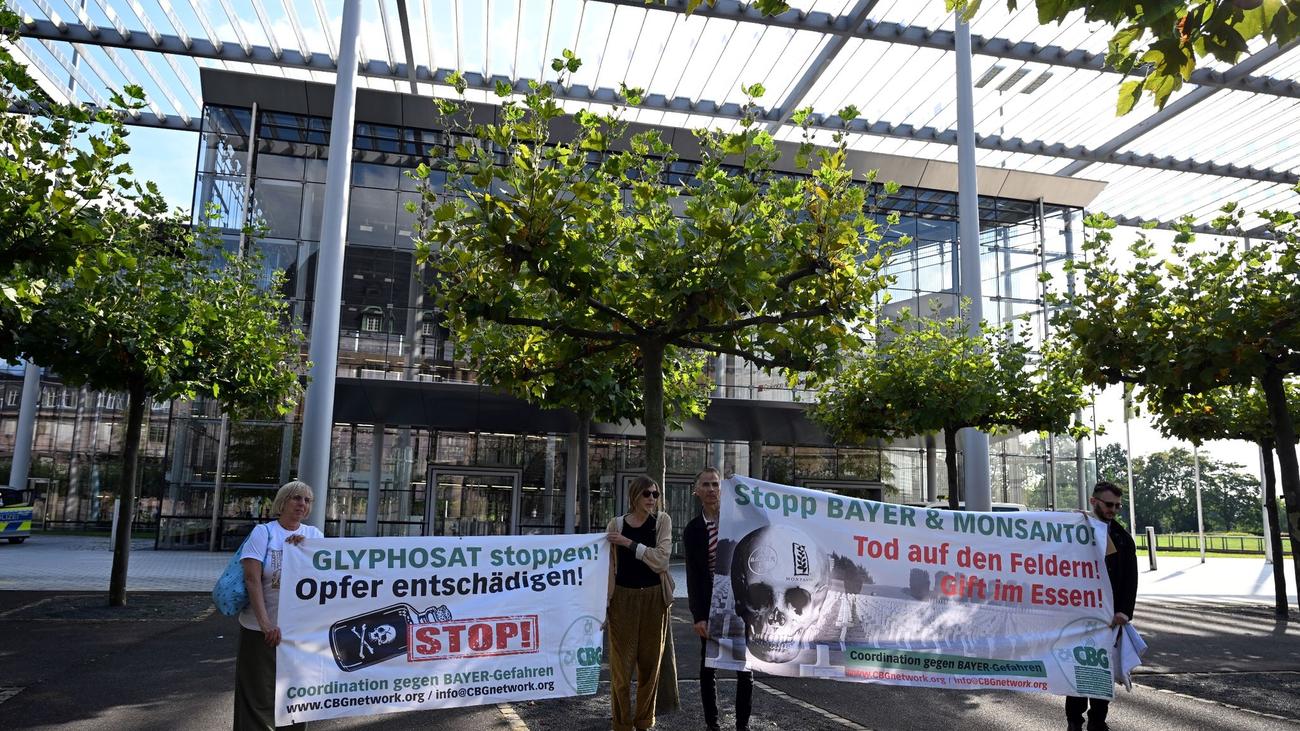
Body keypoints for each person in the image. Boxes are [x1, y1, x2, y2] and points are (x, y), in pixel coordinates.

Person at [234, 480, 323, 730]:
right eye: (296, 498)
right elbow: (252, 579)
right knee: (258, 694)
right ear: (282, 502)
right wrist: (265, 624)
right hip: (260, 629)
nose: (302, 504)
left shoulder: (314, 536)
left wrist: (306, 549)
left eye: (307, 500)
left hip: (298, 633)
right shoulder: (264, 533)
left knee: (295, 694)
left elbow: (324, 579)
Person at [606, 475, 679, 731]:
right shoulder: (616, 524)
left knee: (650, 666)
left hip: (653, 598)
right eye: (647, 494)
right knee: (621, 669)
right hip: (622, 599)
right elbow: (608, 565)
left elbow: (661, 561)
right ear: (634, 496)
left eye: (655, 494)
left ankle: (644, 721)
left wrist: (628, 543)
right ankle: (622, 723)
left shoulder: (661, 521)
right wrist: (605, 602)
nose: (652, 499)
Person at [1066, 480, 1138, 731]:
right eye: (1109, 505)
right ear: (1093, 501)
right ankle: (1074, 721)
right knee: (1077, 668)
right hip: (1078, 613)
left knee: (1101, 670)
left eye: (1118, 506)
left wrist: (1124, 611)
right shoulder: (1073, 529)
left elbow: (1130, 578)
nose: (1113, 510)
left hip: (1109, 616)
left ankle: (1098, 722)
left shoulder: (1122, 538)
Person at [684, 467, 753, 731]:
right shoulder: (693, 530)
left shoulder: (737, 522)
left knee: (744, 668)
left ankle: (742, 725)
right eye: (706, 485)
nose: (711, 489)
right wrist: (698, 616)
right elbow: (693, 576)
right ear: (697, 491)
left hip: (741, 604)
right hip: (710, 605)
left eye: (715, 484)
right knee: (708, 667)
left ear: (722, 490)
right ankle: (712, 724)